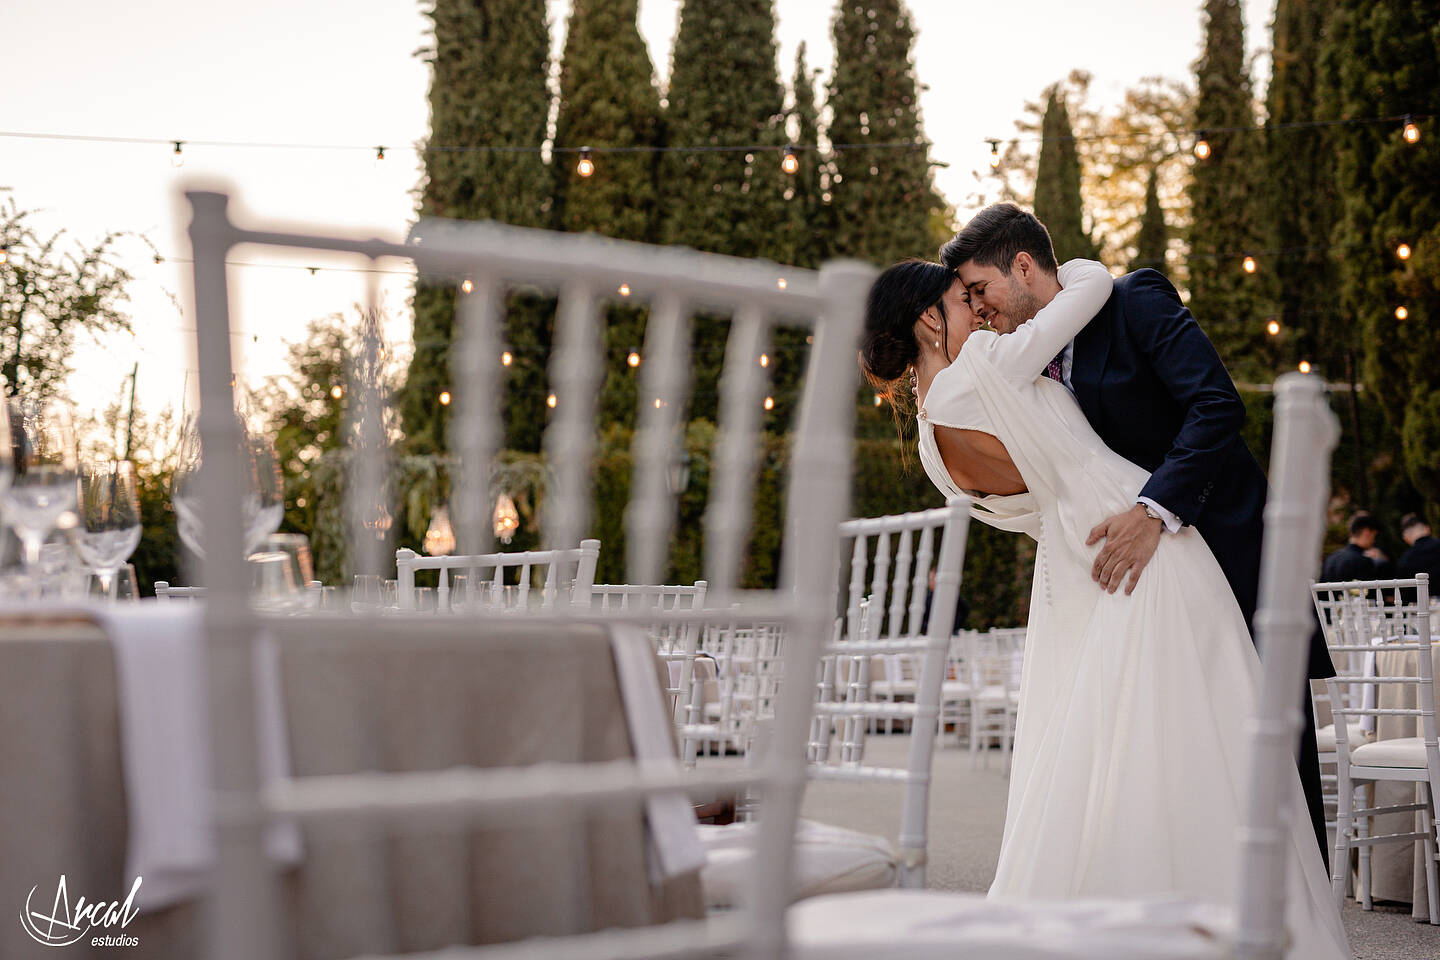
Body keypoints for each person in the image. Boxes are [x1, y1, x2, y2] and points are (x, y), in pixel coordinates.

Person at [859, 251, 1348, 956]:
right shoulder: (993, 362)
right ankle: (1227, 913)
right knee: (1204, 722)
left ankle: (1150, 904)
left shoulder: (932, 433)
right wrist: (1082, 265)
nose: (980, 311)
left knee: (1114, 737)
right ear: (929, 321)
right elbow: (1086, 289)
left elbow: (1027, 504)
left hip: (1079, 554)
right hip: (1141, 540)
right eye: (963, 300)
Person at [941, 204, 1332, 870]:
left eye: (980, 289)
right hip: (1148, 589)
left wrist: (1155, 509)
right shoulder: (1028, 364)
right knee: (1185, 756)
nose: (978, 308)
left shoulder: (1133, 301)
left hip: (1231, 545)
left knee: (1272, 747)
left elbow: (1217, 404)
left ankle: (1298, 909)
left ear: (1025, 265)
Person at [1320, 511, 1393, 582]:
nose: (1374, 541)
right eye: (1374, 536)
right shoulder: (1363, 561)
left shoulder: (1331, 558)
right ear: (1366, 532)